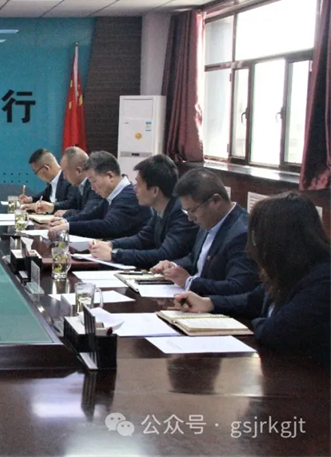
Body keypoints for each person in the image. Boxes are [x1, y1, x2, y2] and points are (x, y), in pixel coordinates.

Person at [176, 192, 330, 367]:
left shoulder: (322, 280)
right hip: (282, 365)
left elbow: (274, 332)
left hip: (312, 375)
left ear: (280, 240)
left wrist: (256, 323)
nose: (253, 247)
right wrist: (209, 303)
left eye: (259, 238)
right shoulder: (289, 268)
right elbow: (252, 300)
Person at [151, 168, 258, 296]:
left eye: (192, 210)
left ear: (215, 201)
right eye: (186, 211)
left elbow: (237, 287)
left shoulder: (241, 234)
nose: (190, 218)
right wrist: (173, 265)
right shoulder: (208, 220)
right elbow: (195, 259)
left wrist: (189, 282)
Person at [89, 154, 198, 268]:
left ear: (155, 191)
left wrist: (114, 255)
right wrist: (110, 244)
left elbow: (164, 255)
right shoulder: (161, 209)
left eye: (139, 184)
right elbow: (142, 239)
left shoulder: (181, 213)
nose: (134, 189)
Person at [47, 151, 151, 240]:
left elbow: (107, 226)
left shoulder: (129, 197)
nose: (92, 188)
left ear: (110, 176)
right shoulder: (113, 196)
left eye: (93, 181)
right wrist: (64, 221)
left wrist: (68, 227)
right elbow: (91, 215)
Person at [18, 148, 77, 214]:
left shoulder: (69, 180)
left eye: (36, 172)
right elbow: (45, 195)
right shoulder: (51, 183)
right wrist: (30, 199)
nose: (37, 176)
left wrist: (50, 206)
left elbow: (71, 204)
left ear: (46, 168)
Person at [54, 146, 104, 220]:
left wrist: (67, 213)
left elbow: (88, 214)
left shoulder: (94, 186)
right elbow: (71, 204)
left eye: (65, 172)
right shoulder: (80, 185)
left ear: (79, 171)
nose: (64, 177)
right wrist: (53, 206)